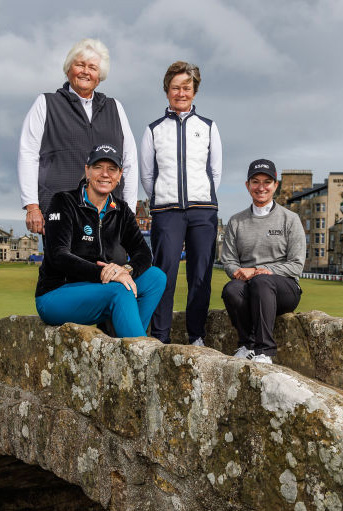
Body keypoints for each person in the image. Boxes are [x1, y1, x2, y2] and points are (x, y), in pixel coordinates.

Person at [34, 144, 165, 337]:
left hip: (99, 289)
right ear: (87, 170)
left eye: (112, 169)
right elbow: (58, 256)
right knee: (120, 290)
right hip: (57, 293)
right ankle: (137, 355)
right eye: (98, 167)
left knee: (156, 278)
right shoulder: (64, 201)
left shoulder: (121, 209)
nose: (105, 174)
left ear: (119, 175)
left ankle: (122, 338)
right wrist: (105, 273)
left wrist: (126, 270)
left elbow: (143, 252)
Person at [18, 38, 138, 235]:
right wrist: (32, 206)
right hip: (60, 209)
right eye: (79, 64)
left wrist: (130, 211)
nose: (85, 71)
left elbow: (130, 161)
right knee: (62, 265)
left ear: (99, 77)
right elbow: (28, 154)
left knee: (109, 266)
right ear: (68, 69)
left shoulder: (115, 107)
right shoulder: (46, 103)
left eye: (92, 67)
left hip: (108, 213)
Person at [140, 61, 222, 345]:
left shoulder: (209, 127)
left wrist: (201, 198)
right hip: (167, 211)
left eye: (186, 87)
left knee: (200, 274)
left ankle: (196, 335)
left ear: (194, 91)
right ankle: (160, 336)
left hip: (203, 211)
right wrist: (164, 199)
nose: (181, 92)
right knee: (164, 275)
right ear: (167, 91)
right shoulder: (153, 130)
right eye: (175, 88)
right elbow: (148, 175)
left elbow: (215, 172)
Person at [220, 159, 306, 364]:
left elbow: (296, 264)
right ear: (247, 185)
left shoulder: (290, 219)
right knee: (231, 289)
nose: (261, 187)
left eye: (267, 182)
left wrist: (258, 270)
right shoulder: (236, 221)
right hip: (249, 286)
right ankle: (247, 345)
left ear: (276, 185)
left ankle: (265, 350)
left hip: (284, 289)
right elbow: (229, 261)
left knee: (261, 281)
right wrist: (239, 273)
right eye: (255, 182)